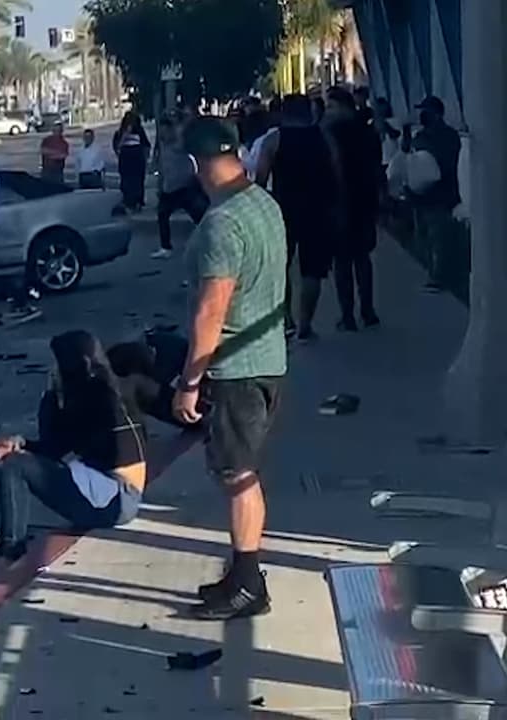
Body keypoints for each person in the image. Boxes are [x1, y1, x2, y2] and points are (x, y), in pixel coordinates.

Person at [176, 115, 287, 621]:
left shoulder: (222, 223)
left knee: (238, 475)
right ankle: (241, 573)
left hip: (235, 368)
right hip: (267, 360)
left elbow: (211, 309)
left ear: (197, 164)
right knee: (240, 471)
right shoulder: (264, 203)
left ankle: (248, 583)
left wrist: (190, 382)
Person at [0, 330, 147, 561]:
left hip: (111, 500)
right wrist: (20, 443)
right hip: (121, 496)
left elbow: (52, 449)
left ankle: (11, 549)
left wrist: (51, 394)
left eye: (57, 363)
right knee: (23, 461)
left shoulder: (90, 398)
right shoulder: (113, 387)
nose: (54, 369)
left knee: (15, 466)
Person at [256, 93, 343, 341]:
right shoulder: (324, 138)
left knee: (280, 267)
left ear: (283, 113)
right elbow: (337, 175)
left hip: (282, 209)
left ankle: (286, 320)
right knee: (312, 271)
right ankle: (306, 324)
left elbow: (261, 178)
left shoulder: (274, 139)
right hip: (318, 209)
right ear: (309, 112)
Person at [324, 86, 383, 330]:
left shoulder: (330, 132)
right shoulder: (368, 131)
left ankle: (347, 315)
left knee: (342, 261)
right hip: (365, 200)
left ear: (342, 106)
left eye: (330, 106)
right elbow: (377, 165)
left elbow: (329, 166)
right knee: (362, 258)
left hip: (340, 201)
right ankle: (368, 311)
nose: (327, 111)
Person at [408, 95, 462, 291]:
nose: (422, 115)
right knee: (423, 236)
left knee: (438, 236)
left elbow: (442, 163)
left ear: (437, 114)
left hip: (440, 194)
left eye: (426, 111)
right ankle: (433, 270)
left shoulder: (448, 136)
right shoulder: (422, 135)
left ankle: (439, 276)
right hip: (422, 196)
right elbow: (410, 153)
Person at [153, 112, 208, 259]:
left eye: (165, 130)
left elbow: (192, 152)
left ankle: (208, 241)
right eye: (161, 130)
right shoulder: (162, 145)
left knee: (199, 215)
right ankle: (166, 247)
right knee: (162, 215)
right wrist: (160, 186)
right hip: (169, 188)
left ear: (171, 130)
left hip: (185, 186)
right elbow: (162, 167)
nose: (163, 134)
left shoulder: (179, 143)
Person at [113, 111, 150, 212]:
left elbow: (146, 145)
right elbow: (117, 146)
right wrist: (125, 134)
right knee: (127, 181)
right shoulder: (120, 132)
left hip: (137, 159)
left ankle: (137, 201)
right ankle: (128, 201)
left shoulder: (140, 132)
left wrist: (146, 157)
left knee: (137, 181)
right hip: (126, 159)